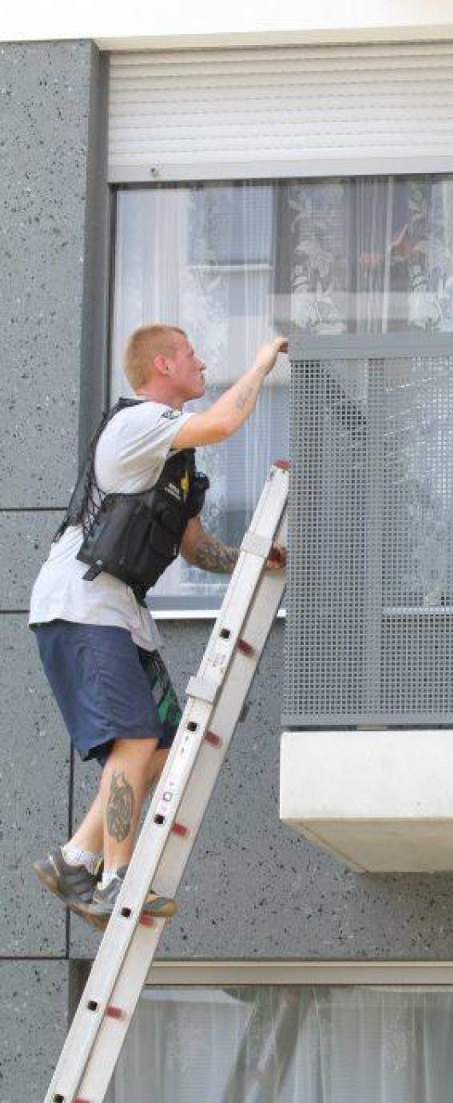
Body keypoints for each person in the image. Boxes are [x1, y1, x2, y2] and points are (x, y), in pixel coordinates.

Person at [29, 324, 287, 930]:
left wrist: (255, 561)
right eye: (193, 355)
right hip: (82, 604)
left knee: (163, 744)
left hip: (121, 612)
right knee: (136, 740)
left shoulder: (174, 455)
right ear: (164, 364)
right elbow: (225, 423)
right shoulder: (136, 425)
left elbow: (195, 550)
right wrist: (261, 364)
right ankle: (117, 879)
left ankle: (75, 859)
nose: (202, 364)